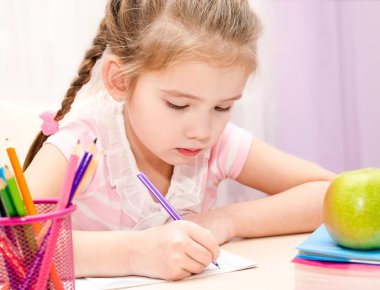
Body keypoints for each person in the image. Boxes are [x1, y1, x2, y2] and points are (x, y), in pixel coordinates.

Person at [23, 0, 335, 281]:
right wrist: (135, 252)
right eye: (178, 105)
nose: (201, 131)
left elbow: (331, 195)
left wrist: (226, 220)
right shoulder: (80, 147)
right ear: (121, 81)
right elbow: (10, 245)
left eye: (222, 107)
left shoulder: (219, 145)